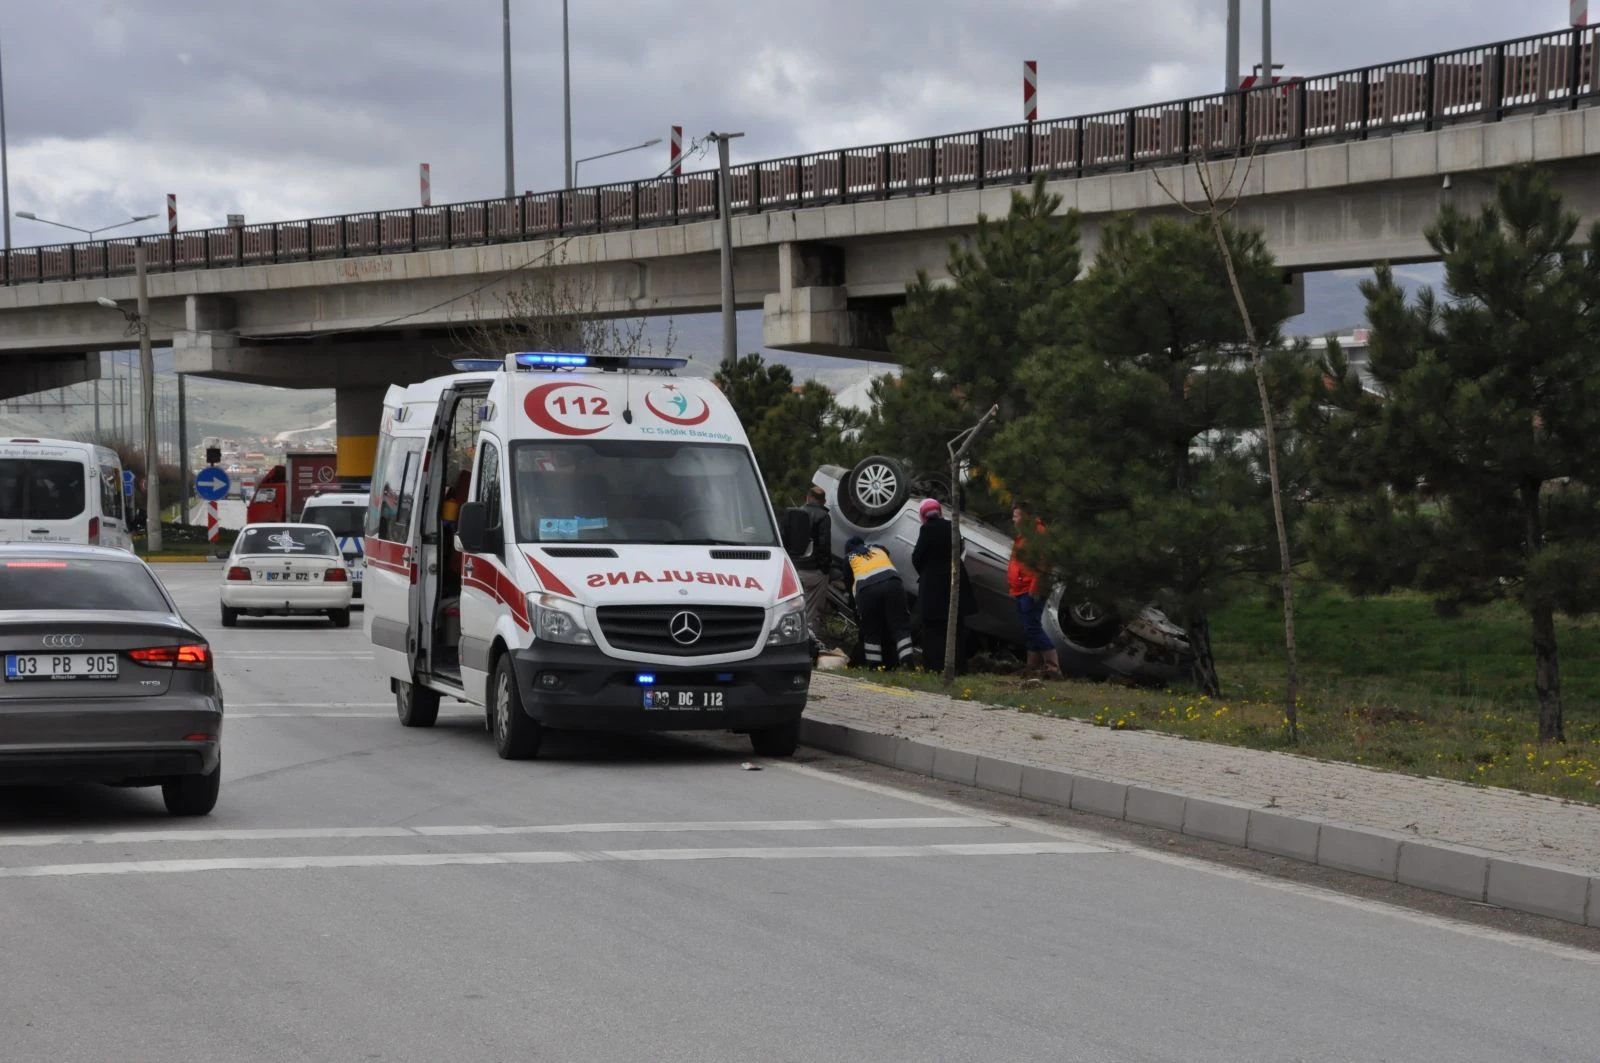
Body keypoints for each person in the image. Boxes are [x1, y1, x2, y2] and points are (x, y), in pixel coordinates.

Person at [910, 498, 976, 674]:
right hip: (956, 582)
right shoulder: (952, 526)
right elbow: (960, 549)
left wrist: (926, 572)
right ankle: (959, 667)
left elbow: (917, 557)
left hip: (933, 588)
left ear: (923, 515)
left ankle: (934, 666)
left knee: (933, 630)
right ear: (939, 511)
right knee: (956, 628)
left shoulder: (927, 529)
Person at [844, 535, 915, 670]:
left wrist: (856, 608)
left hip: (867, 591)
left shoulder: (849, 557)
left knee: (871, 630)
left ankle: (874, 667)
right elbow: (886, 554)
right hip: (894, 584)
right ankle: (908, 663)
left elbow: (849, 584)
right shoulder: (878, 548)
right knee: (900, 626)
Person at [1009, 501, 1061, 677]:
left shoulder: (1037, 535)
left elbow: (1043, 564)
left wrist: (1035, 587)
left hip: (1030, 588)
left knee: (1032, 627)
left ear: (1026, 516)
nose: (1013, 519)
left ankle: (1052, 666)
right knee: (1029, 626)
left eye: (1016, 516)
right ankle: (1032, 666)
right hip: (1022, 588)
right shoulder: (1024, 535)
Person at [785, 485, 836, 651]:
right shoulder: (823, 517)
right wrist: (825, 569)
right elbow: (824, 545)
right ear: (824, 501)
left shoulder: (794, 514)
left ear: (808, 497)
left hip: (794, 570)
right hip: (814, 571)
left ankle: (789, 642)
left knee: (792, 608)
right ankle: (810, 647)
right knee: (813, 612)